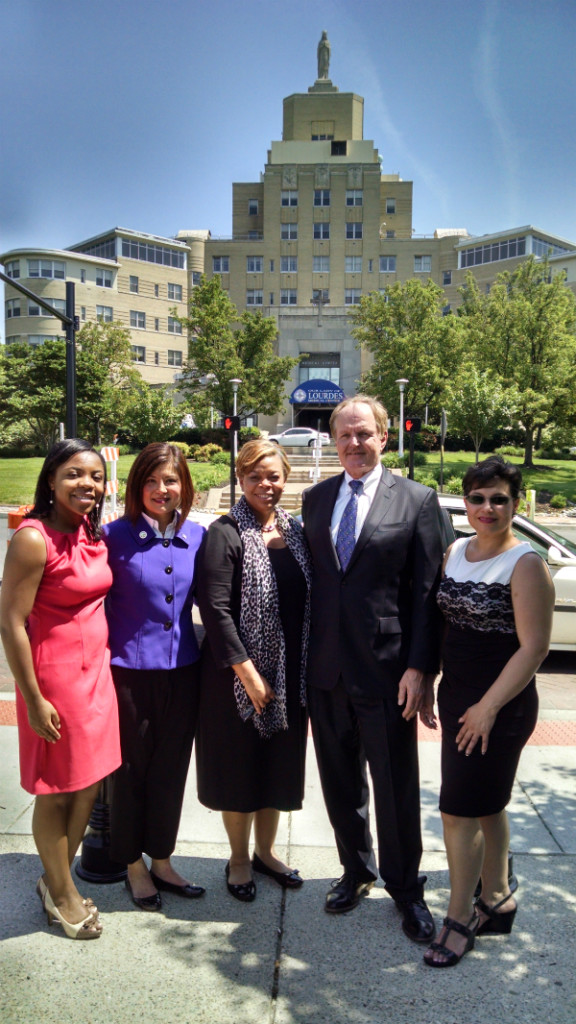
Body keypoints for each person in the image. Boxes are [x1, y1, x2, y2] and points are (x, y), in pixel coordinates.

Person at [302, 396, 444, 942]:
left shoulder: (416, 500)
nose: (355, 444)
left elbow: (427, 595)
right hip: (326, 671)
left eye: (365, 434)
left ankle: (406, 888)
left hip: (388, 673)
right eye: (345, 435)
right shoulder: (316, 500)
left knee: (395, 787)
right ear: (333, 440)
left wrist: (419, 669)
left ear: (384, 437)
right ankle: (355, 869)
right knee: (340, 785)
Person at [423, 456, 553, 967]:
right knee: (487, 804)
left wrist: (486, 709)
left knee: (456, 812)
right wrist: (435, 682)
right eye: (477, 498)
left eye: (499, 498)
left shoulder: (526, 563)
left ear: (515, 505)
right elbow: (448, 627)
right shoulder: (456, 550)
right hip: (459, 698)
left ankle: (460, 917)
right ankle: (498, 896)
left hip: (500, 706)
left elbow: (534, 648)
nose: (487, 507)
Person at [0, 439, 121, 940]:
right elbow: (10, 622)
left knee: (87, 787)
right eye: (73, 474)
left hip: (97, 680)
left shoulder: (89, 533)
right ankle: (63, 893)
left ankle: (55, 880)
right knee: (55, 793)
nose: (86, 485)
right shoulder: (33, 539)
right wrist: (32, 699)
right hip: (54, 684)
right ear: (51, 479)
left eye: (94, 476)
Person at [196, 439, 312, 901]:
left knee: (277, 771)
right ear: (240, 480)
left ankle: (266, 853)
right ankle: (239, 858)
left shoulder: (295, 532)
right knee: (240, 771)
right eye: (255, 476)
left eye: (274, 476)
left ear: (286, 478)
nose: (266, 484)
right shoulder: (225, 533)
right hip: (237, 680)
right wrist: (249, 674)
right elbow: (216, 610)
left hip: (289, 675)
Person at [103, 443, 205, 911]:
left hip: (183, 672)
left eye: (170, 480)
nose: (161, 489)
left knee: (170, 770)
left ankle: (162, 859)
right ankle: (132, 866)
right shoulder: (111, 538)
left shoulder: (199, 537)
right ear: (135, 486)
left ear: (184, 485)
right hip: (126, 675)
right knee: (128, 774)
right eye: (151, 480)